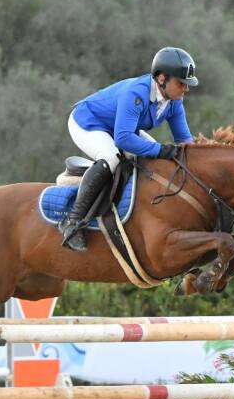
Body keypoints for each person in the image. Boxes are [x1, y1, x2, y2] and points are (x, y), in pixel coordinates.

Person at [57, 47, 198, 251]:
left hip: (119, 127)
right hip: (87, 122)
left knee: (155, 160)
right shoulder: (136, 93)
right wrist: (160, 149)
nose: (186, 88)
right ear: (161, 79)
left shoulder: (174, 102)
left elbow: (185, 142)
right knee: (112, 157)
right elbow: (123, 139)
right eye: (181, 83)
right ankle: (72, 222)